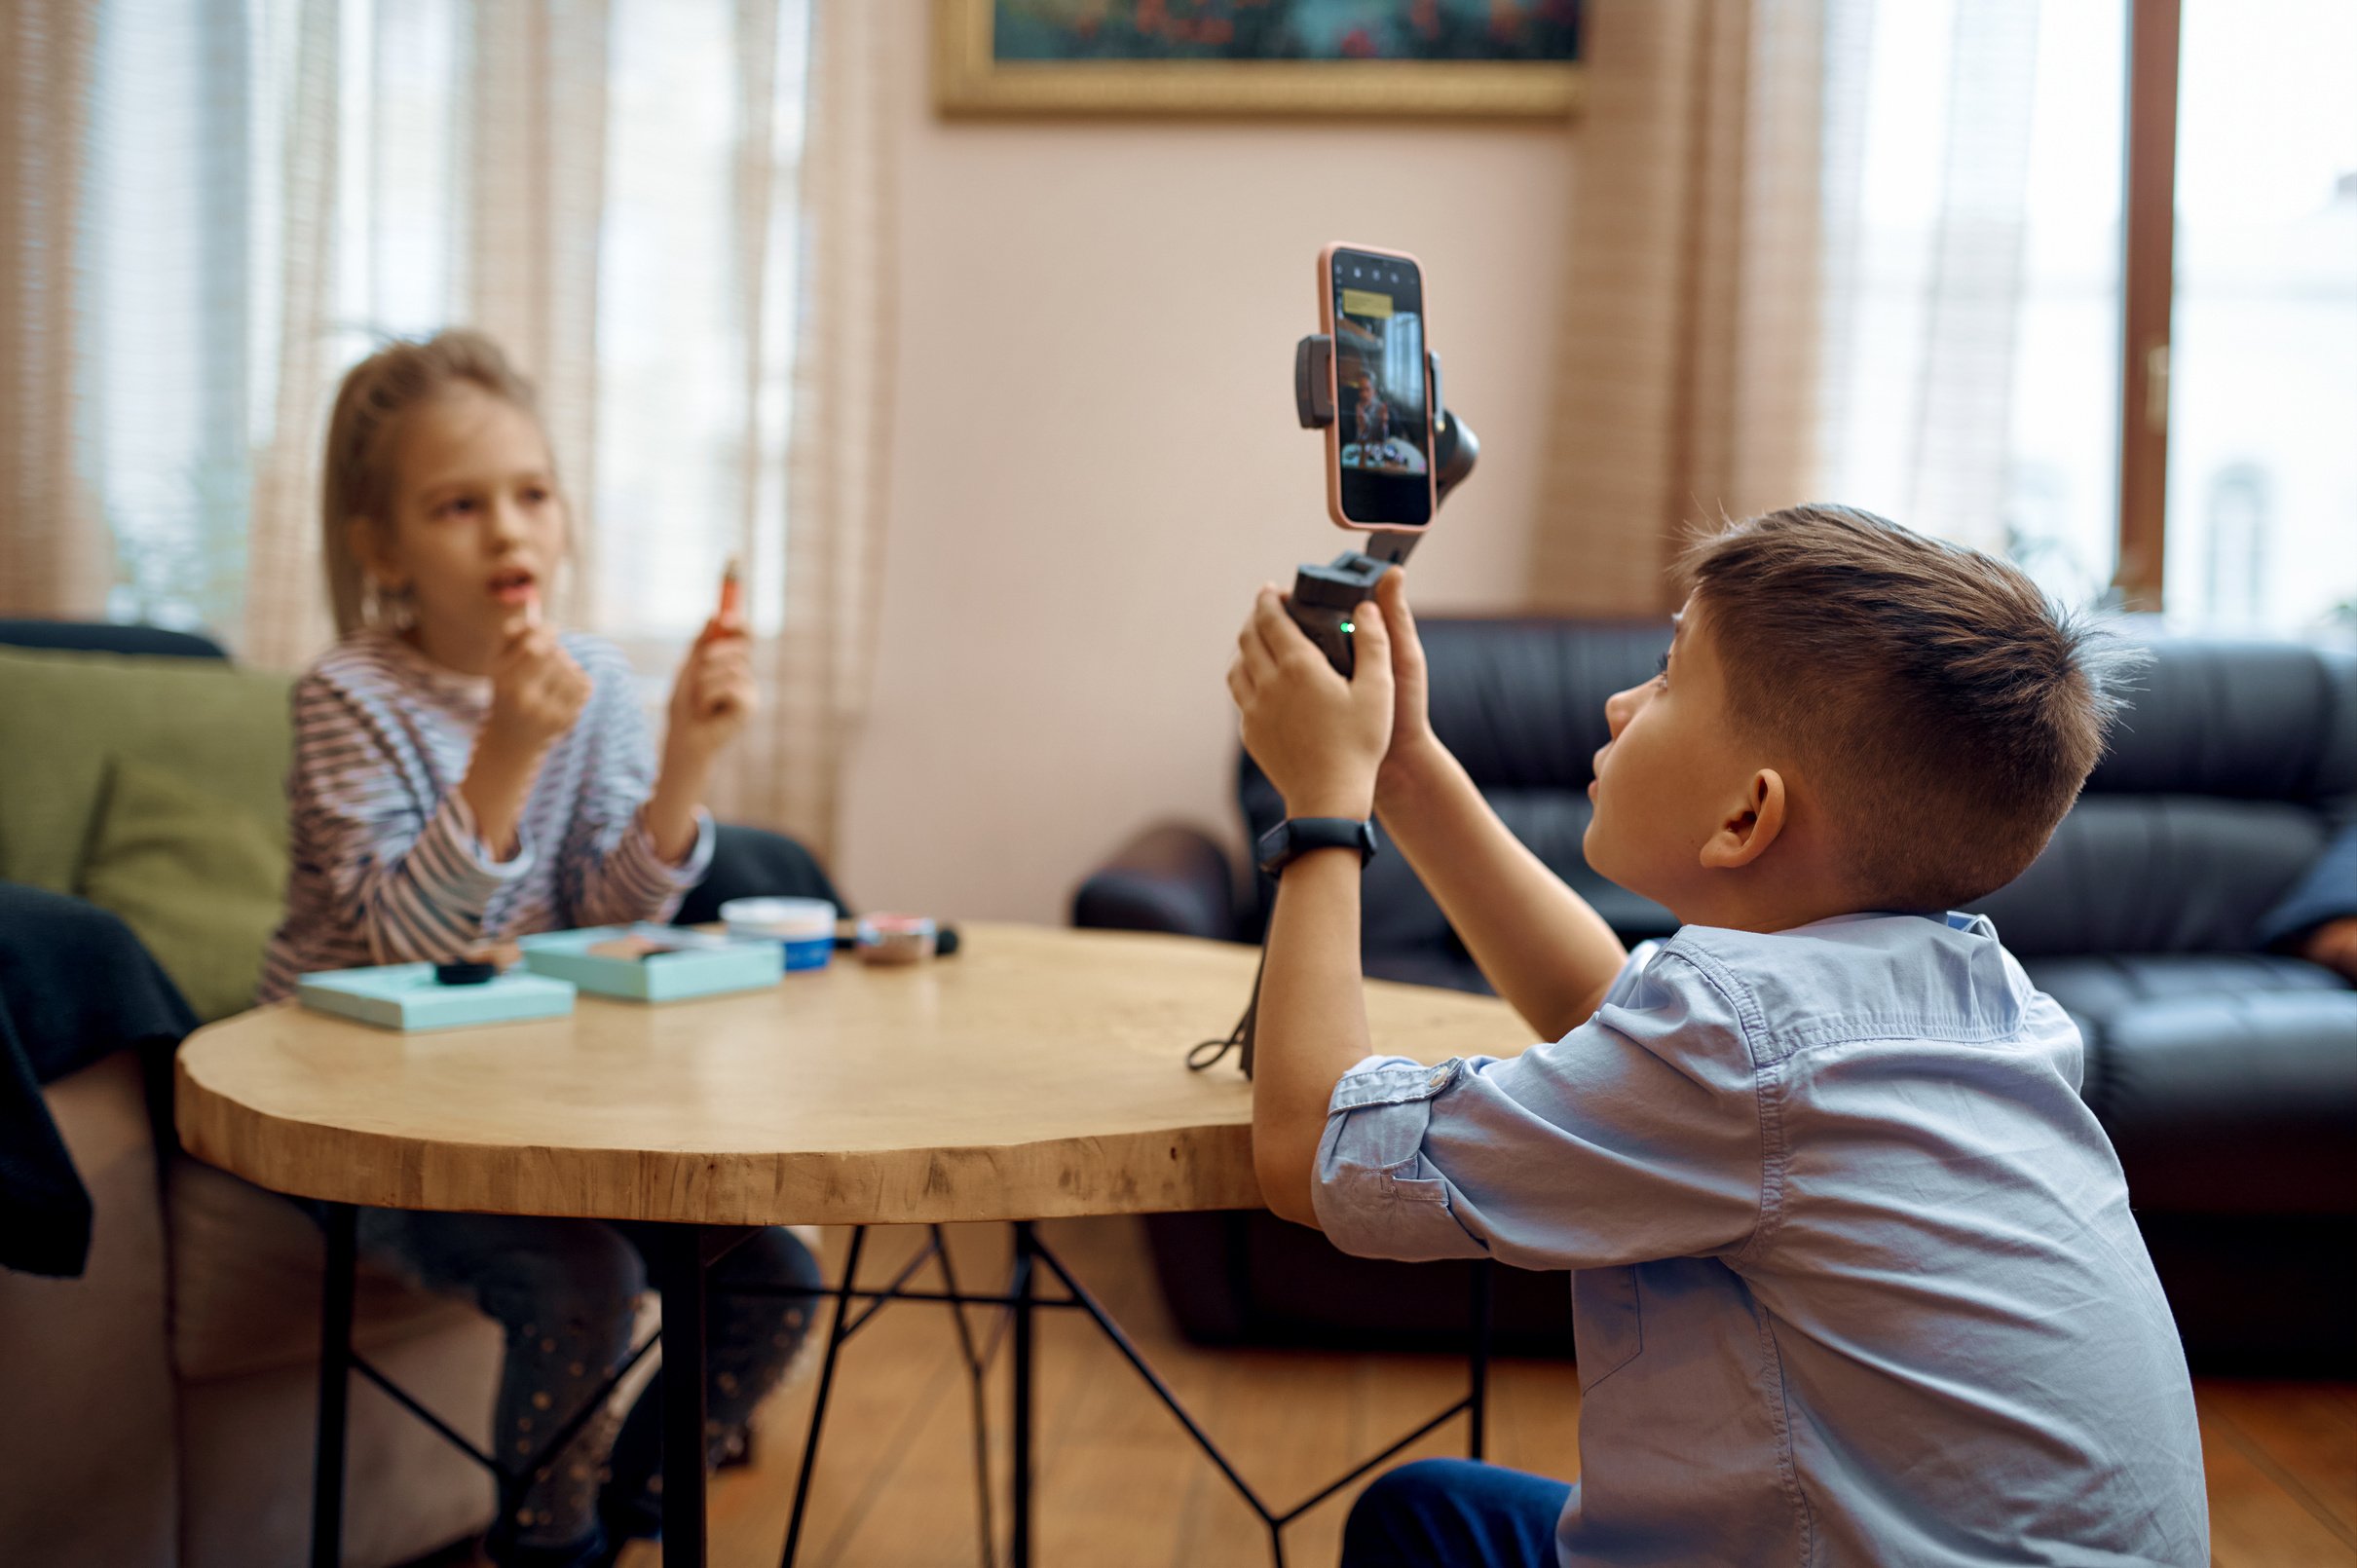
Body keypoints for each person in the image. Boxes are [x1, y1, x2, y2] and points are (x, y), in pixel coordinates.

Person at [1224, 504, 2208, 1566]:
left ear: (1744, 817)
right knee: (1432, 1512)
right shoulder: (1978, 1001)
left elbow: (1304, 1148)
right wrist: (1402, 767)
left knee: (1420, 1523)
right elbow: (1606, 1008)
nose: (1617, 701)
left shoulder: (1741, 1052)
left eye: (1663, 673)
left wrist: (1321, 804)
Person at [259, 330, 820, 1568]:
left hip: (529, 1104)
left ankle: (629, 1518)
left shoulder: (599, 682)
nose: (507, 531)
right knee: (584, 1282)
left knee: (775, 1277)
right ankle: (543, 1547)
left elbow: (613, 926)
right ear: (381, 546)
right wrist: (505, 751)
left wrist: (683, 759)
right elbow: (398, 954)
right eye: (458, 506)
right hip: (365, 1113)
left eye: (531, 495)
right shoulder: (346, 694)